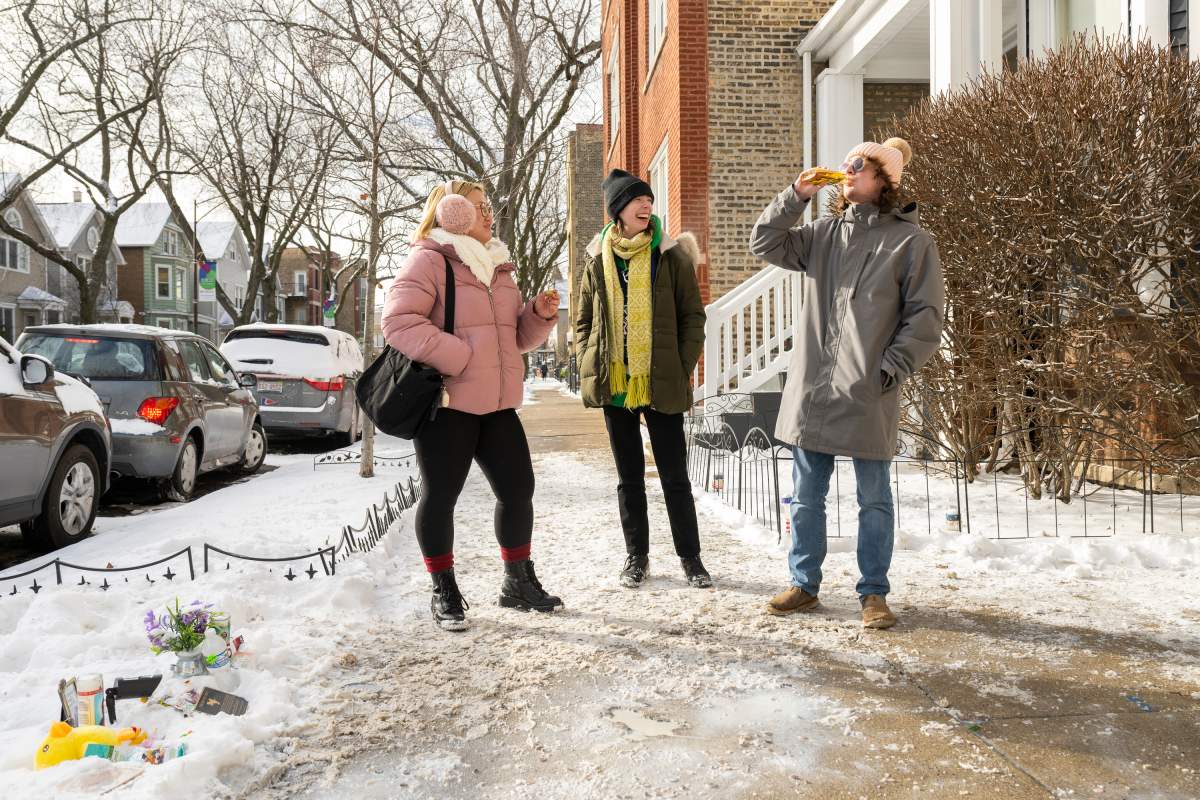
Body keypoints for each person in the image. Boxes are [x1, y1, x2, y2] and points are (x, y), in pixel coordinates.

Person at [748, 138, 944, 629]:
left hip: (868, 391)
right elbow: (764, 242)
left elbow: (925, 317)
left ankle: (874, 594)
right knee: (807, 494)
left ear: (884, 181)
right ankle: (804, 584)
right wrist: (795, 195)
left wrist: (889, 368)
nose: (847, 170)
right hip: (813, 390)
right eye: (847, 163)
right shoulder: (821, 234)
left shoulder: (912, 243)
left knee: (873, 497)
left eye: (859, 165)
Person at [381, 179, 562, 631]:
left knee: (518, 490)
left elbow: (514, 339)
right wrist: (459, 356)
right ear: (452, 211)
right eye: (479, 206)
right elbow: (399, 322)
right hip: (448, 403)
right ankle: (444, 591)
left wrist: (536, 316)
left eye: (488, 205)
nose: (489, 213)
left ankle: (516, 584)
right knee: (442, 497)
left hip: (497, 404)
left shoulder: (499, 266)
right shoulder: (429, 259)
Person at [575, 169, 710, 589]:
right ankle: (637, 556)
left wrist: (680, 365)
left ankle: (691, 558)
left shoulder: (671, 256)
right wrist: (589, 358)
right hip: (616, 385)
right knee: (629, 478)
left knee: (675, 477)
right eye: (637, 200)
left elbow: (693, 317)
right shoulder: (597, 259)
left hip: (660, 381)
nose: (646, 205)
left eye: (648, 199)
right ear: (618, 210)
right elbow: (583, 321)